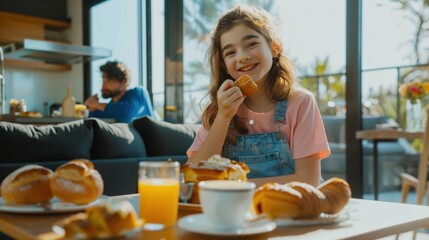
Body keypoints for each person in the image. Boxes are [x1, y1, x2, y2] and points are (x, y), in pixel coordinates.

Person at [186, 4, 330, 187]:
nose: (242, 56)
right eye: (231, 52)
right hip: (236, 213)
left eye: (252, 44)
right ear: (224, 65)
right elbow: (192, 176)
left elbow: (308, 180)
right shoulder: (219, 110)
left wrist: (237, 186)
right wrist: (223, 117)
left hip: (289, 211)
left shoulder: (301, 103)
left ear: (274, 47)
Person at [84, 61, 156, 123]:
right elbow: (94, 120)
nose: (103, 85)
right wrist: (92, 109)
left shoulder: (138, 92)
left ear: (123, 82)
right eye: (103, 81)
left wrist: (96, 104)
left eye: (108, 80)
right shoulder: (111, 105)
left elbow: (126, 112)